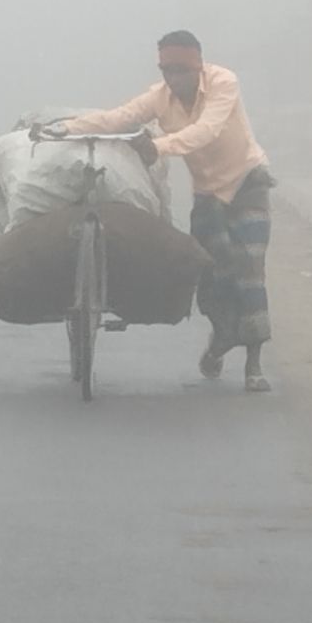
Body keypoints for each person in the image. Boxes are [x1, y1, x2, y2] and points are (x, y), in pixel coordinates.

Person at [48, 30, 274, 392]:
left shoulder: (223, 83)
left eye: (181, 70)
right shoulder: (159, 97)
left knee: (250, 268)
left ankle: (254, 363)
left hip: (248, 183)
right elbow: (117, 119)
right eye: (166, 70)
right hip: (207, 195)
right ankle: (221, 338)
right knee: (212, 274)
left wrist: (158, 146)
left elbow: (208, 130)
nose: (174, 78)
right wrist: (66, 128)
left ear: (198, 66)